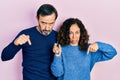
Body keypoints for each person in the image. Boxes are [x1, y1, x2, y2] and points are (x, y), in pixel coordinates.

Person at [1, 4, 58, 80]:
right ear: (37, 19)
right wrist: (15, 43)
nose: (47, 28)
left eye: (51, 23)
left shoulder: (58, 36)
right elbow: (4, 57)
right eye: (43, 23)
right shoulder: (26, 34)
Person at [51, 18, 117, 80]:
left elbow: (112, 52)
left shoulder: (89, 49)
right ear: (66, 34)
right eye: (70, 33)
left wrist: (98, 45)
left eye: (77, 32)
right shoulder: (60, 49)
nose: (74, 36)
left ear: (81, 33)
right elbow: (57, 73)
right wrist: (57, 55)